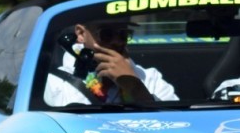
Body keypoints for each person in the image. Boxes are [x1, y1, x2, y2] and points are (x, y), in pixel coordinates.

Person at [45, 20, 176, 106]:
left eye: (123, 34)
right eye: (106, 34)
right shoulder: (54, 82)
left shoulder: (150, 78)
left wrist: (135, 87)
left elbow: (177, 124)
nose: (117, 42)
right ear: (81, 34)